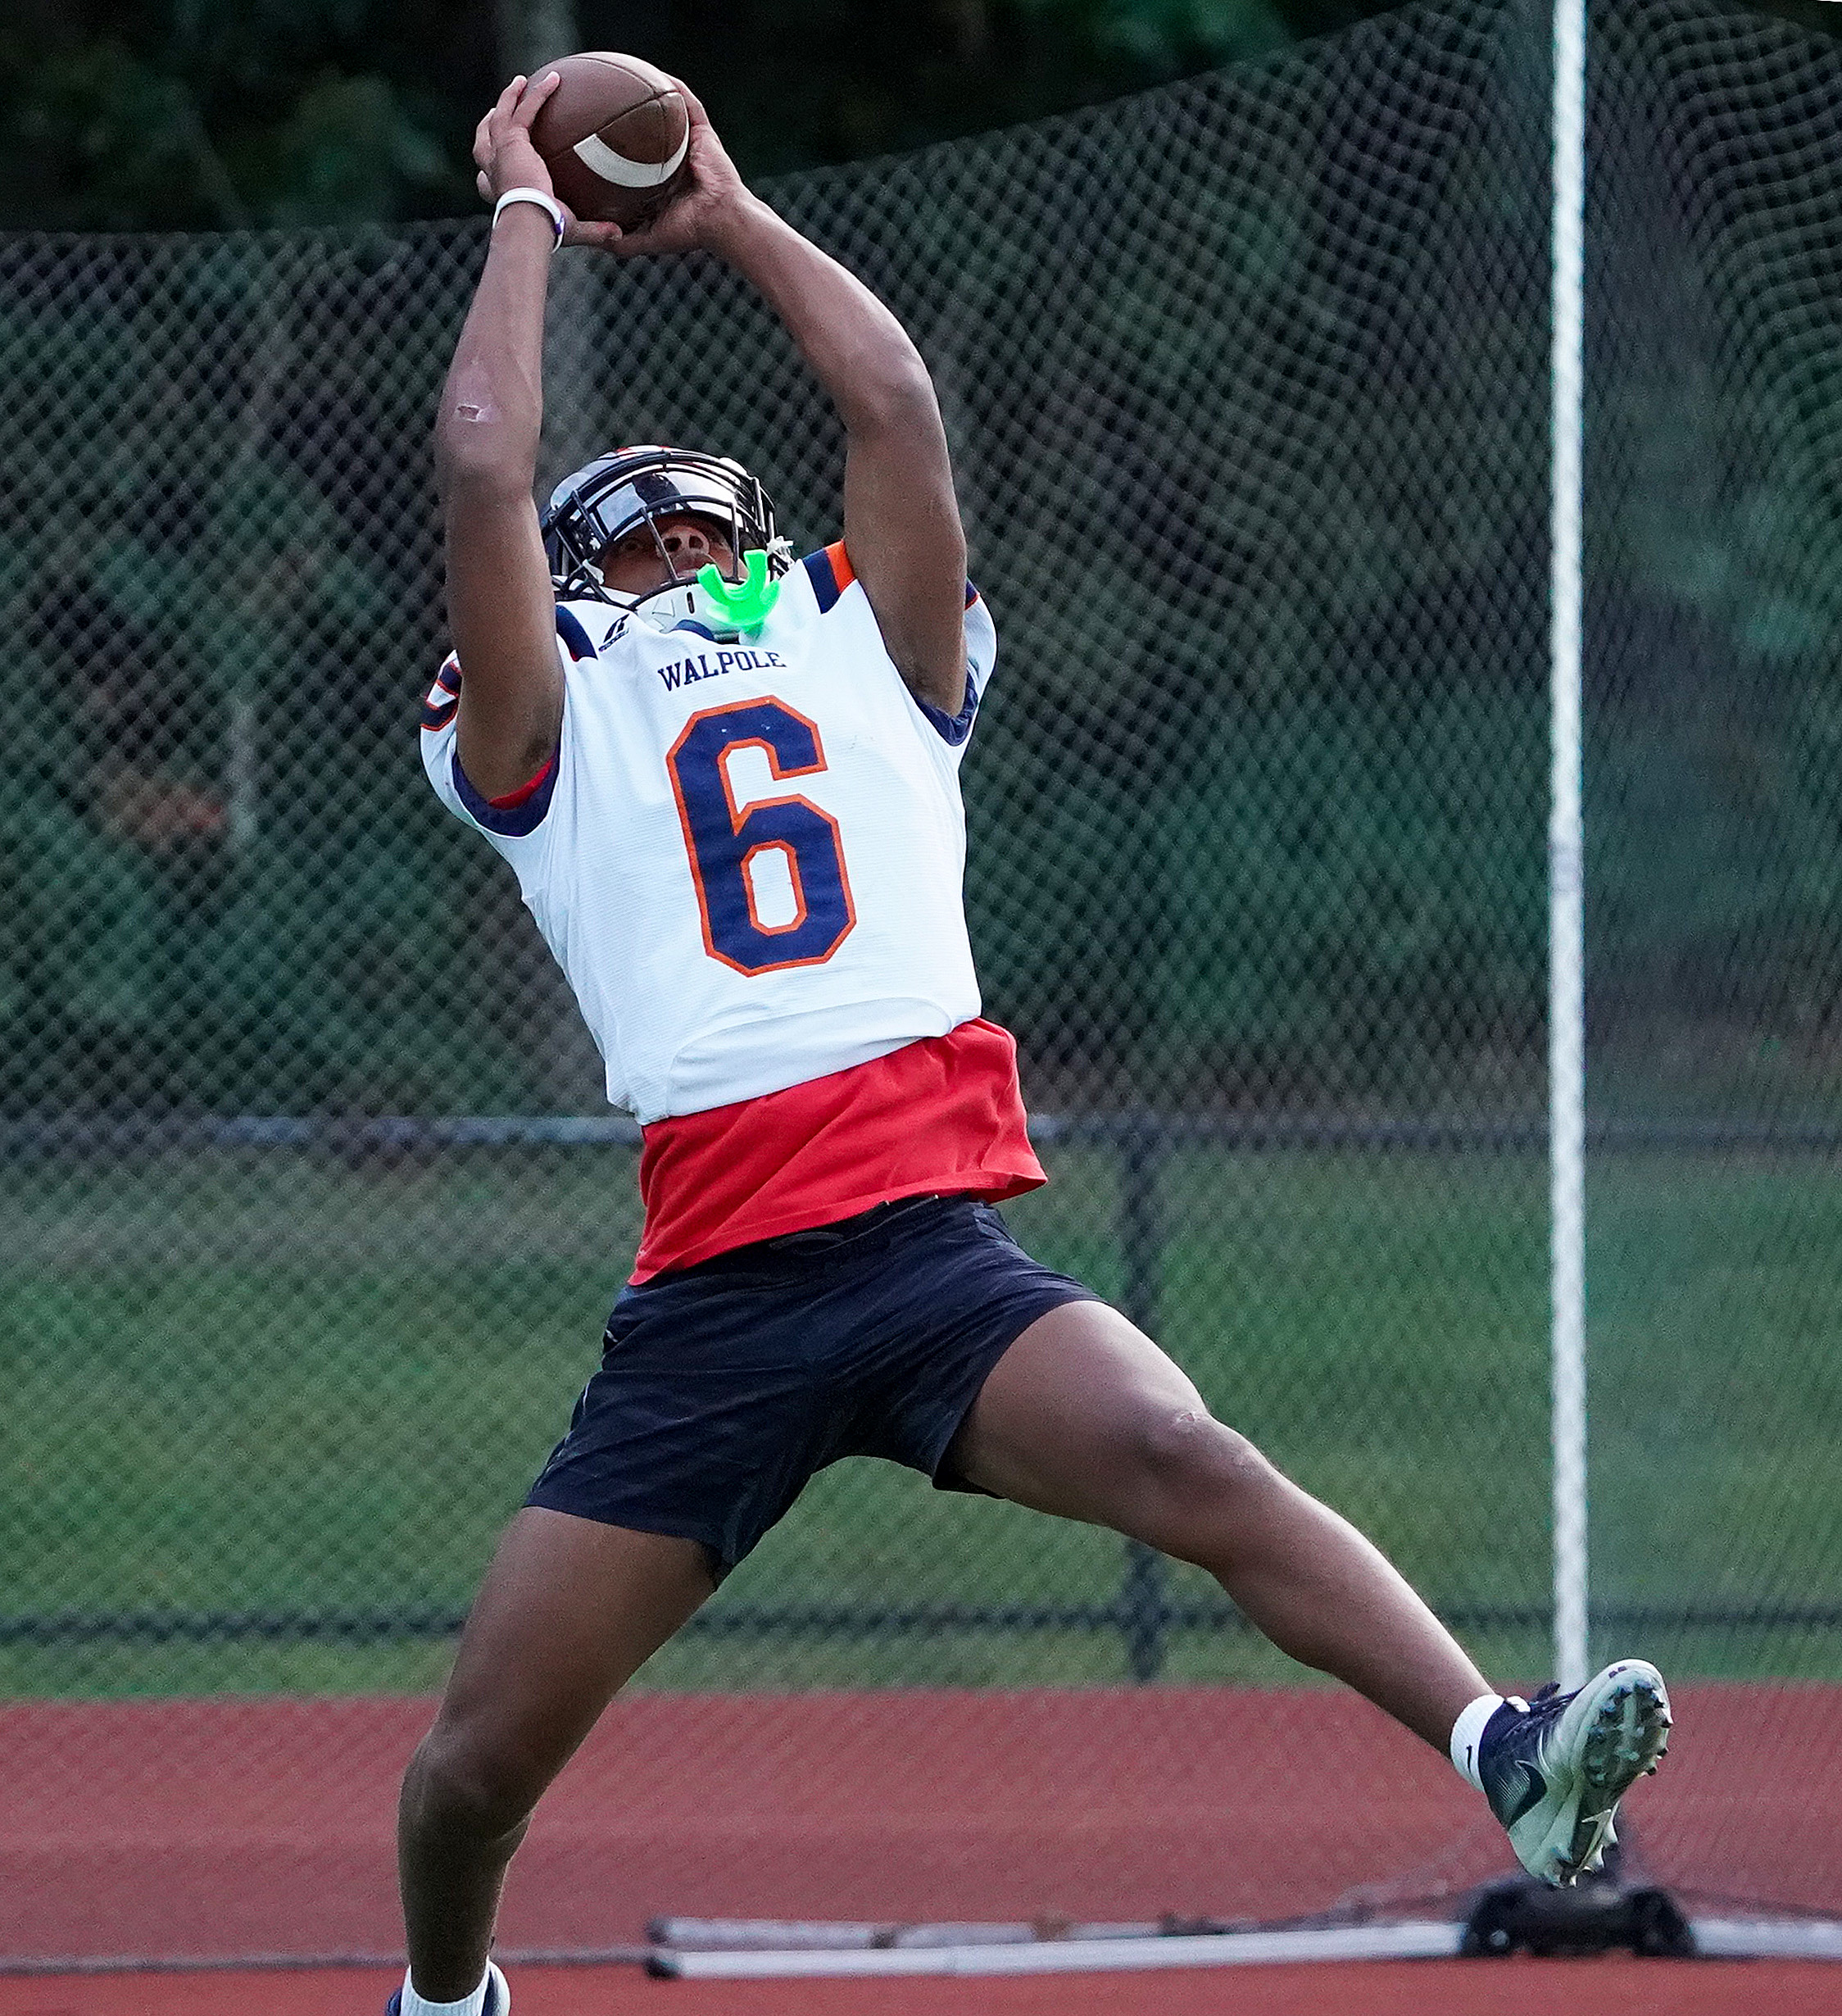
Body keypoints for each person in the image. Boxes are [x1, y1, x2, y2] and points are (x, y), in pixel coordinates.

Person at [392, 70, 1672, 2016]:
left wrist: (727, 208)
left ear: (762, 548)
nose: (680, 566)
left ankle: (1501, 1746)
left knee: (1183, 1452)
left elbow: (890, 404)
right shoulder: (546, 728)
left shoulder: (859, 644)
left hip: (922, 1246)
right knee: (478, 1761)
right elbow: (486, 475)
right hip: (722, 1286)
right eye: (637, 551)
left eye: (704, 536)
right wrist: (521, 213)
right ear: (569, 602)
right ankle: (441, 1996)